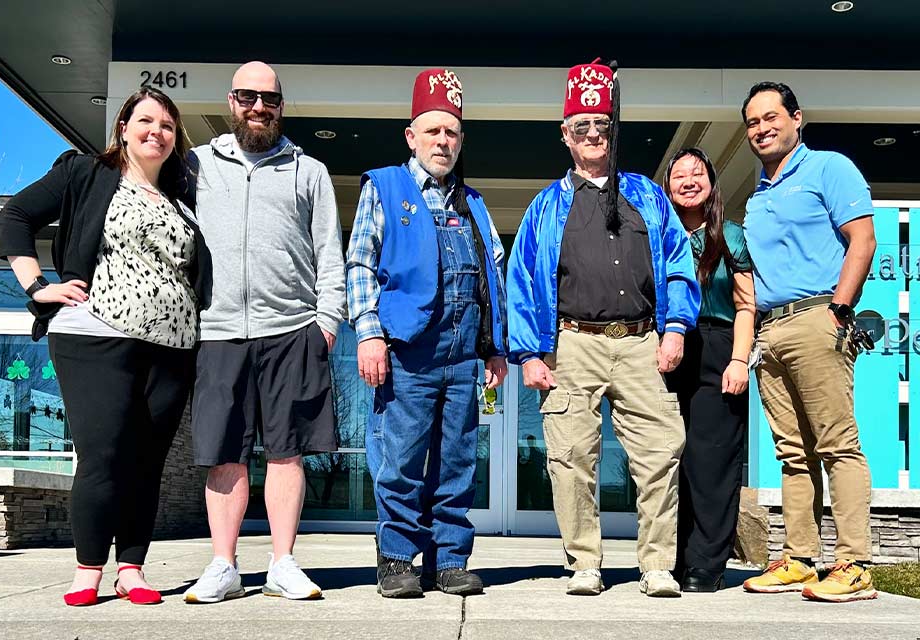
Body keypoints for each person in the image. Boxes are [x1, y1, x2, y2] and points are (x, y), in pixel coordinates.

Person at [0, 87, 201, 606]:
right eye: (146, 121)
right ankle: (87, 568)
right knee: (102, 454)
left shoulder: (183, 195)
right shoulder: (85, 173)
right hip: (95, 338)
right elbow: (16, 216)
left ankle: (131, 568)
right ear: (123, 127)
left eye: (168, 126)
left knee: (147, 460)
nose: (156, 132)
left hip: (173, 348)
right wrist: (36, 286)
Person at [506, 58, 699, 598]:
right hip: (571, 344)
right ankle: (584, 563)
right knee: (570, 459)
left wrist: (677, 327)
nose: (594, 135)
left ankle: (657, 565)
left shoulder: (647, 195)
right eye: (582, 127)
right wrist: (529, 353)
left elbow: (678, 260)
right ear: (566, 135)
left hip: (641, 342)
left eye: (602, 126)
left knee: (661, 451)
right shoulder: (547, 206)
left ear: (613, 132)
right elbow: (520, 279)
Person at [183, 61, 346, 603]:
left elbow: (330, 253)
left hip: (293, 329)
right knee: (224, 452)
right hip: (219, 329)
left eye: (269, 99)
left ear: (281, 106)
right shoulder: (195, 166)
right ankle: (223, 566)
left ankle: (282, 563)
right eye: (248, 97)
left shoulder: (309, 171)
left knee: (287, 452)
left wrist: (326, 323)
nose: (259, 107)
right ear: (231, 101)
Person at [346, 68, 507, 598]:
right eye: (433, 131)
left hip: (464, 355)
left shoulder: (475, 203)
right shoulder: (384, 187)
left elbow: (493, 277)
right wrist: (369, 335)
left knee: (459, 457)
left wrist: (494, 347)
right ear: (411, 137)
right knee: (402, 458)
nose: (444, 141)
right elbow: (361, 265)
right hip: (409, 349)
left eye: (452, 132)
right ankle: (396, 558)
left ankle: (449, 559)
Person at [738, 82, 878, 602]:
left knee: (838, 445)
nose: (761, 129)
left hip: (819, 315)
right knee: (793, 453)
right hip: (770, 330)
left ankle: (856, 563)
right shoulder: (758, 194)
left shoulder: (828, 168)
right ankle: (800, 558)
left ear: (797, 119)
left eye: (771, 117)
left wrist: (840, 309)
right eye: (752, 122)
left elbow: (862, 239)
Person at [662, 147, 755, 592]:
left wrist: (740, 359)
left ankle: (706, 563)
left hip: (717, 346)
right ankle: (673, 558)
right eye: (679, 174)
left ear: (712, 184)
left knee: (712, 460)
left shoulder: (731, 236)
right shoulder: (656, 236)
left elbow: (745, 305)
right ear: (668, 186)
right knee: (671, 459)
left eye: (697, 172)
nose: (688, 180)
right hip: (667, 349)